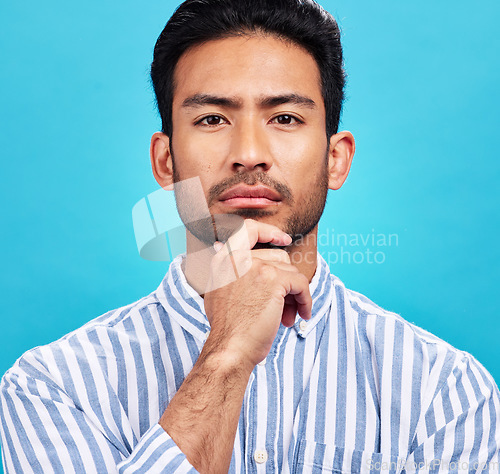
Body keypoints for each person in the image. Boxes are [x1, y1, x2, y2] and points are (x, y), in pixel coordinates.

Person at [1, 0, 499, 472]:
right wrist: (226, 354)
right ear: (165, 161)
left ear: (336, 159)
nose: (249, 153)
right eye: (213, 118)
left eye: (284, 118)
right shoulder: (55, 386)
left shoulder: (444, 390)